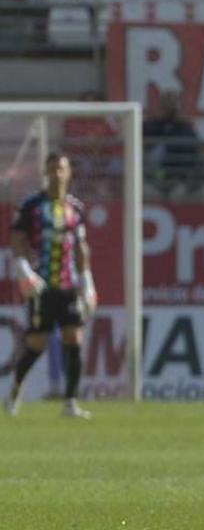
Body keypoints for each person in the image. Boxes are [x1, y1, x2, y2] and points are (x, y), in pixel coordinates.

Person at [5, 152, 96, 419]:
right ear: (46, 173)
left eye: (62, 169)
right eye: (53, 169)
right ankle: (15, 389)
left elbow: (81, 248)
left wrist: (88, 284)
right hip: (41, 286)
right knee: (36, 343)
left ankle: (70, 402)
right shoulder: (31, 205)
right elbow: (17, 240)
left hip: (68, 285)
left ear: (69, 173)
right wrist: (24, 272)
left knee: (74, 338)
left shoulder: (75, 208)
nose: (57, 174)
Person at [142, 91, 204, 199]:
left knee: (180, 194)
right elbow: (144, 134)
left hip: (181, 175)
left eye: (172, 105)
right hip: (158, 174)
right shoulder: (152, 124)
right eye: (165, 105)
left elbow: (191, 148)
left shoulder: (185, 126)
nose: (168, 109)